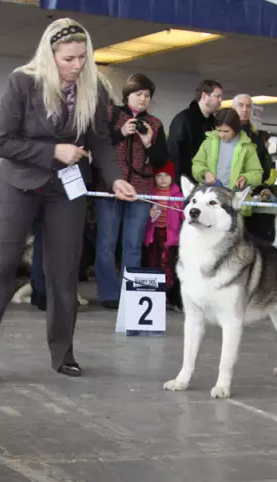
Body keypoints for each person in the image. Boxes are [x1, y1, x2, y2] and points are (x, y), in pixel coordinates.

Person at [0, 18, 135, 378]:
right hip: (19, 184)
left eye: (82, 57)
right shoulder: (22, 82)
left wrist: (115, 180)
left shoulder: (93, 88)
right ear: (50, 56)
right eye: (69, 59)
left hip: (66, 189)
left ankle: (63, 354)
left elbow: (100, 141)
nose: (77, 65)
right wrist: (54, 151)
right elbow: (4, 142)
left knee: (64, 273)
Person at [95, 72, 168, 310]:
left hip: (142, 190)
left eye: (147, 95)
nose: (143, 99)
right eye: (138, 94)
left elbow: (161, 160)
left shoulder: (155, 124)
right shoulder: (110, 115)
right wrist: (121, 133)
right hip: (109, 188)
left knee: (133, 244)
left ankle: (130, 293)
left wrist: (148, 142)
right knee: (106, 243)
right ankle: (108, 294)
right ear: (128, 95)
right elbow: (98, 145)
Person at [191, 107, 263, 216]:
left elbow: (257, 173)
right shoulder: (208, 143)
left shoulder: (247, 147)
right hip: (208, 202)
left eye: (226, 131)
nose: (222, 135)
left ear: (236, 129)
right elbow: (197, 164)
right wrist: (204, 173)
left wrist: (246, 178)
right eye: (219, 130)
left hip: (234, 204)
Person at [142, 162, 184, 310]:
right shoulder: (150, 193)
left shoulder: (178, 195)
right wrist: (150, 214)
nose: (163, 179)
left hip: (170, 238)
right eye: (159, 176)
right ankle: (156, 296)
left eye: (166, 175)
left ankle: (170, 296)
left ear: (172, 177)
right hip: (154, 236)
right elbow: (144, 216)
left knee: (169, 266)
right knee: (154, 264)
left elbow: (184, 217)